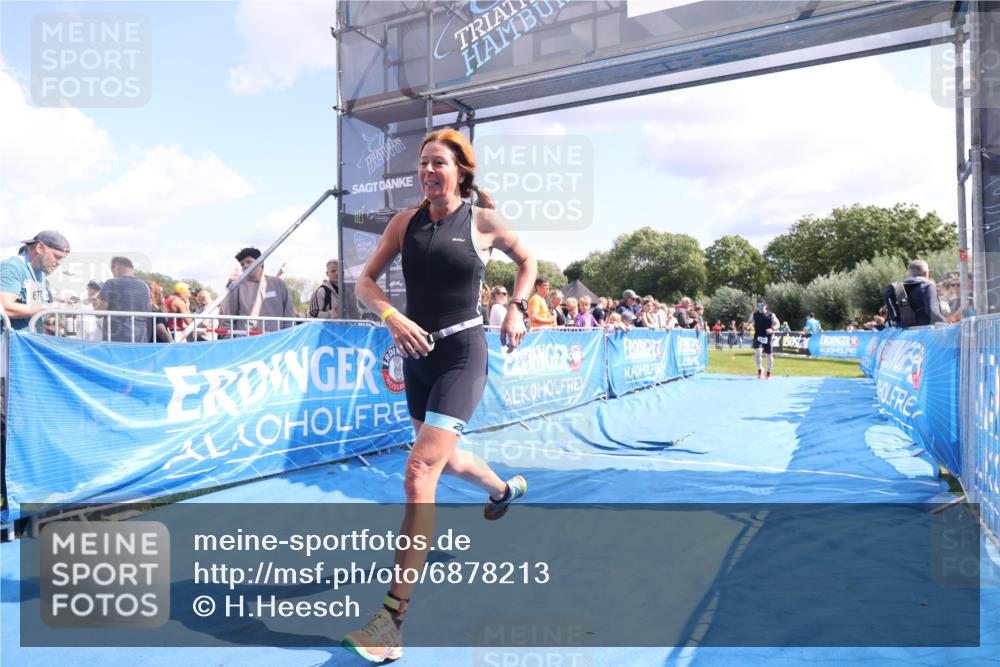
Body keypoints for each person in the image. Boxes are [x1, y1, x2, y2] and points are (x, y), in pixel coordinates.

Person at [345, 128, 535, 662]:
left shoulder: (482, 222)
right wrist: (392, 316)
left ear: (461, 172)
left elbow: (529, 264)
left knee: (418, 472)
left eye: (438, 164)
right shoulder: (404, 223)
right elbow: (366, 283)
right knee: (445, 461)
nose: (428, 172)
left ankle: (391, 621)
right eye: (423, 164)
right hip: (416, 359)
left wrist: (518, 308)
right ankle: (501, 490)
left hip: (462, 356)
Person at [0, 230, 71, 330]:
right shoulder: (12, 266)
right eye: (56, 257)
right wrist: (48, 307)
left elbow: (33, 309)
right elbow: (4, 308)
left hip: (29, 340)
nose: (59, 263)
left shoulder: (40, 274)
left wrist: (59, 307)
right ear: (39, 247)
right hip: (11, 343)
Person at [220, 247, 294, 334]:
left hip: (275, 341)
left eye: (248, 262)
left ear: (261, 261)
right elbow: (228, 318)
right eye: (242, 264)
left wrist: (288, 337)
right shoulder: (237, 287)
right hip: (247, 342)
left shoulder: (278, 284)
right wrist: (229, 340)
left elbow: (288, 315)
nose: (245, 266)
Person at [95, 256, 153, 343]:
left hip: (115, 341)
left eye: (112, 271)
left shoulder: (111, 283)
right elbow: (148, 313)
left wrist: (96, 304)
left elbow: (98, 313)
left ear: (115, 267)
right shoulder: (145, 286)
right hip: (140, 340)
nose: (113, 274)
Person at [899, 259, 948, 327]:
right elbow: (932, 311)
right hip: (925, 330)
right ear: (925, 273)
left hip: (907, 330)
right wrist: (945, 322)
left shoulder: (903, 288)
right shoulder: (927, 286)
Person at [747, 299, 780, 380]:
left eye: (762, 305)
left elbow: (777, 324)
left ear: (766, 306)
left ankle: (769, 371)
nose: (760, 307)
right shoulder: (754, 314)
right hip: (758, 336)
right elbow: (750, 322)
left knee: (769, 355)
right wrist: (748, 326)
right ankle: (760, 369)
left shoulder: (771, 315)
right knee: (758, 353)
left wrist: (772, 329)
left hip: (767, 337)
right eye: (759, 305)